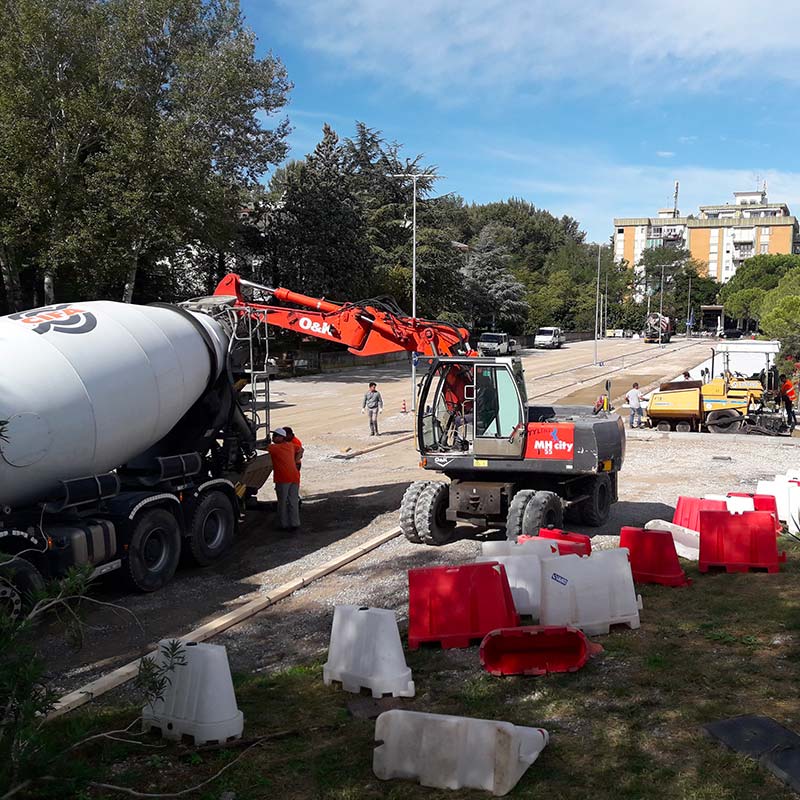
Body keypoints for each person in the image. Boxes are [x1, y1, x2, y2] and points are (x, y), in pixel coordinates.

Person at [267, 427, 300, 531]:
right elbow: (301, 449)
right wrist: (295, 460)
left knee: (282, 503)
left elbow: (262, 447)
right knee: (293, 501)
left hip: (283, 478)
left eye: (275, 436)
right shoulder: (291, 446)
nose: (273, 438)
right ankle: (295, 523)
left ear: (281, 437)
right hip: (294, 477)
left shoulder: (274, 448)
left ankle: (283, 524)